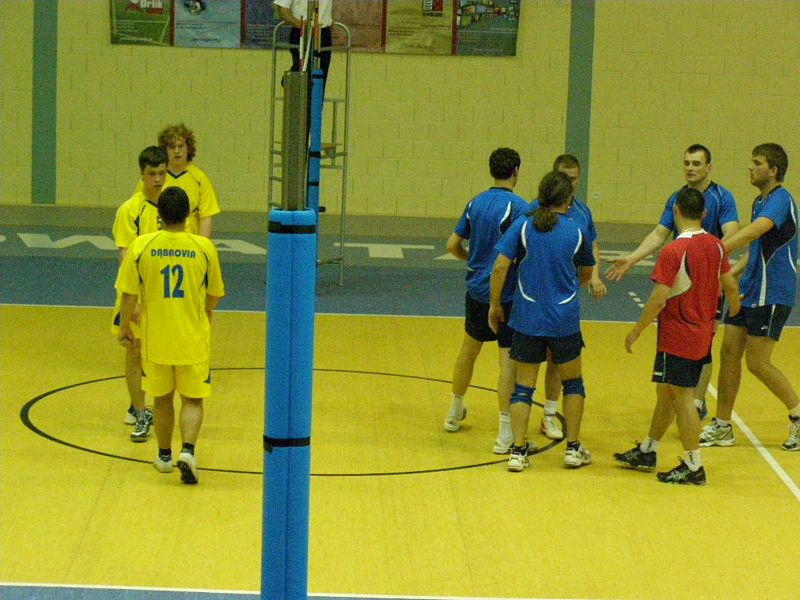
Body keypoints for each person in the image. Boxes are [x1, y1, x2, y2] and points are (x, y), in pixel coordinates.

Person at [614, 188, 741, 485]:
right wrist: (732, 312)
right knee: (667, 392)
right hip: (702, 334)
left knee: (683, 399)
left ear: (676, 211)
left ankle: (694, 466)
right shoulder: (716, 246)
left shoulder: (673, 251)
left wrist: (636, 331)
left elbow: (659, 299)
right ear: (705, 214)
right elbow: (730, 286)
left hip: (678, 335)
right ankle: (649, 449)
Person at [605, 144, 739, 419]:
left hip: (708, 282)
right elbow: (659, 233)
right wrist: (632, 258)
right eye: (687, 163)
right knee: (678, 336)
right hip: (682, 281)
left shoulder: (722, 198)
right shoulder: (676, 199)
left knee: (706, 340)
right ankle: (678, 396)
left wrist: (709, 260)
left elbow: (732, 233)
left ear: (709, 168)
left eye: (696, 163)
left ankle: (696, 403)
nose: (690, 168)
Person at [116, 187, 225, 484]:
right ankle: (187, 451)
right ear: (188, 214)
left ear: (159, 214)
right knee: (192, 399)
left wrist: (124, 328)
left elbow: (128, 294)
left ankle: (164, 456)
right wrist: (202, 311)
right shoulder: (204, 247)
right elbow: (215, 294)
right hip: (192, 338)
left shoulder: (142, 246)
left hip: (156, 340)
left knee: (162, 398)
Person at [489, 171, 595, 472]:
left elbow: (500, 267)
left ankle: (517, 451)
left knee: (523, 388)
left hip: (527, 318)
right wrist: (568, 288)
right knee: (573, 383)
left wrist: (494, 305)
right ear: (568, 200)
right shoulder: (576, 231)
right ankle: (573, 449)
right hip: (564, 320)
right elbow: (587, 273)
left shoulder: (523, 226)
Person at [699, 143, 800, 451]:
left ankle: (797, 415)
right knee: (729, 351)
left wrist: (712, 249)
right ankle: (722, 425)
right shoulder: (760, 201)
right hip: (749, 290)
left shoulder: (781, 200)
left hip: (773, 292)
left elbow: (753, 232)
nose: (750, 167)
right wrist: (730, 275)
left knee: (757, 362)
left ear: (773, 170)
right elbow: (755, 248)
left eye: (757, 163)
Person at [444, 147, 530, 454]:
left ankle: (454, 411)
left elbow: (452, 244)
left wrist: (469, 259)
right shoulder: (521, 208)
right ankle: (505, 430)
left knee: (468, 351)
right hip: (505, 295)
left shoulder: (475, 203)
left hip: (476, 291)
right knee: (507, 361)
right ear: (516, 171)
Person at [536, 154, 607, 441]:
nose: (571, 183)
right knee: (523, 362)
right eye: (565, 177)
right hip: (533, 299)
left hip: (563, 301)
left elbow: (592, 247)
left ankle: (549, 414)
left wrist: (594, 277)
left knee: (557, 359)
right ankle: (510, 423)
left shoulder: (582, 212)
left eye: (575, 178)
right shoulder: (534, 211)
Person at [111, 146, 167, 442]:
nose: (157, 179)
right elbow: (125, 256)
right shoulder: (129, 210)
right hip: (137, 293)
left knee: (160, 355)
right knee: (134, 350)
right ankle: (140, 410)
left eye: (162, 173)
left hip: (164, 295)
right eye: (152, 174)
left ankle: (159, 407)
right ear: (142, 175)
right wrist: (131, 300)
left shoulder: (174, 206)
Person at [136, 123, 221, 237]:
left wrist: (202, 244)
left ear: (188, 149)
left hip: (188, 241)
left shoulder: (200, 178)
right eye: (172, 147)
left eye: (180, 146)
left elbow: (205, 217)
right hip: (156, 240)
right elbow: (137, 210)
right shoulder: (152, 177)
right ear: (164, 150)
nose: (176, 151)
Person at [273, 0, 333, 91]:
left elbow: (329, 10)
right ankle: (291, 82)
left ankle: (317, 99)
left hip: (323, 32)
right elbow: (282, 11)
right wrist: (301, 25)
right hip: (301, 31)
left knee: (321, 74)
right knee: (301, 69)